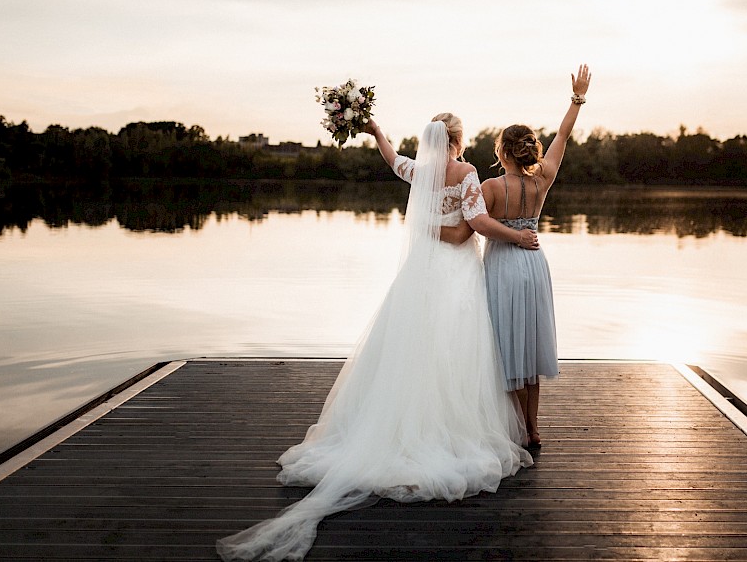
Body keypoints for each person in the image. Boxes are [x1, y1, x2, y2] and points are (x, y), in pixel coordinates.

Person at [217, 113, 535, 561]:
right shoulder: (467, 174)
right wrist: (517, 238)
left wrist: (375, 132)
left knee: (409, 347)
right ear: (459, 141)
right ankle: (445, 431)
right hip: (455, 274)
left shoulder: (420, 173)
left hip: (420, 273)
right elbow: (471, 228)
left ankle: (394, 427)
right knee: (453, 350)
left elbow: (394, 162)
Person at [481, 64, 591, 450]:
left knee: (506, 346)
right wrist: (577, 98)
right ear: (527, 149)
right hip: (534, 264)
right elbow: (563, 134)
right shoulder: (541, 179)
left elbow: (479, 225)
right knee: (528, 347)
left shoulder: (491, 187)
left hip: (503, 265)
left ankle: (514, 427)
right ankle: (533, 428)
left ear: (502, 151)